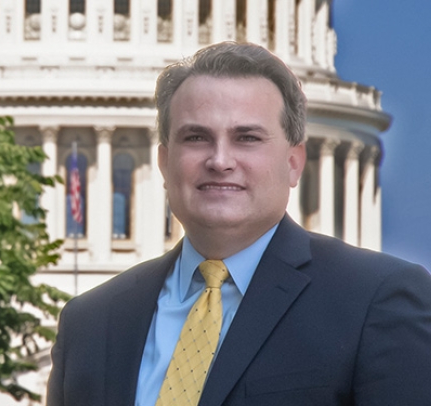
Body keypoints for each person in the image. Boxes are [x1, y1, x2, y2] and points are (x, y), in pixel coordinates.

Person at [46, 42, 431, 406]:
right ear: (164, 162)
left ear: (294, 162)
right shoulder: (89, 323)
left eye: (247, 138)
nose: (220, 160)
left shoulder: (376, 301)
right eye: (196, 137)